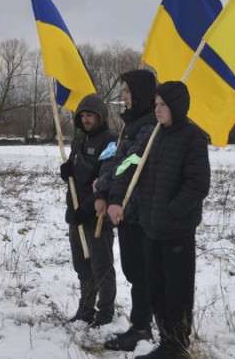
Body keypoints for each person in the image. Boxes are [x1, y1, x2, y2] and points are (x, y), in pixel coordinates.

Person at [134, 81, 210, 359]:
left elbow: (198, 184)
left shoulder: (192, 137)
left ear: (176, 106)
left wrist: (172, 212)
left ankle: (177, 346)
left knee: (176, 292)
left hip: (176, 230)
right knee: (157, 289)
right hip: (152, 228)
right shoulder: (157, 135)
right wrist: (145, 209)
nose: (157, 109)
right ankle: (166, 341)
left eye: (162, 104)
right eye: (155, 104)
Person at [95, 70, 157, 351]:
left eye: (128, 91)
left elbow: (130, 164)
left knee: (143, 273)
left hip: (141, 211)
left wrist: (111, 191)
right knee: (133, 271)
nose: (123, 97)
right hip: (127, 211)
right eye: (123, 91)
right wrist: (101, 190)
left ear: (141, 94)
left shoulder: (149, 127)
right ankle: (139, 326)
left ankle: (144, 328)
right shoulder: (130, 126)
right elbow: (115, 161)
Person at [58, 94, 117, 327]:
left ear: (100, 116)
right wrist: (67, 172)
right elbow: (77, 178)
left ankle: (105, 313)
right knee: (82, 265)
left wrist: (86, 208)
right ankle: (85, 308)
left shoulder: (111, 141)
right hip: (75, 213)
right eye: (82, 116)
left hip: (96, 214)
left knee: (101, 265)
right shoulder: (78, 140)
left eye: (89, 115)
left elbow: (107, 180)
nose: (85, 119)